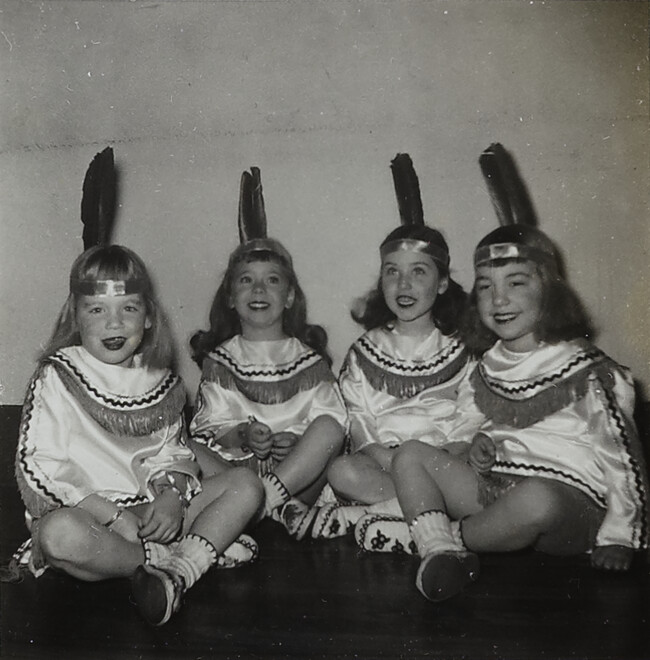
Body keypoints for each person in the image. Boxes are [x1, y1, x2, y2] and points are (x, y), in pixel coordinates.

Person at [383, 225, 649, 602]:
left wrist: (621, 536)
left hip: (569, 509)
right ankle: (439, 548)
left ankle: (427, 537)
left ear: (550, 289)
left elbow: (623, 460)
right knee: (411, 453)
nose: (498, 299)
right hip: (497, 493)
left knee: (536, 498)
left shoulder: (587, 370)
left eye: (516, 283)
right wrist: (476, 446)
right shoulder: (486, 367)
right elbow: (465, 429)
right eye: (486, 286)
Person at [14, 245, 263, 626]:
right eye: (97, 310)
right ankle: (188, 553)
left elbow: (173, 452)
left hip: (149, 509)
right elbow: (41, 467)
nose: (114, 324)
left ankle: (179, 571)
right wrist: (112, 516)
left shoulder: (160, 381)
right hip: (92, 517)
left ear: (148, 317)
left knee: (246, 484)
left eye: (128, 308)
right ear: (75, 316)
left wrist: (170, 497)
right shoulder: (57, 376)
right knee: (59, 536)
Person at [314, 156, 470, 541]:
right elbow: (358, 416)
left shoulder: (463, 350)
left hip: (443, 462)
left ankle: (389, 515)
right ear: (380, 280)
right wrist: (389, 458)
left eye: (419, 272)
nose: (404, 285)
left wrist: (446, 454)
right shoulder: (365, 351)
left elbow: (472, 412)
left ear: (444, 282)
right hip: (381, 464)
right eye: (392, 272)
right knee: (341, 472)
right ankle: (422, 516)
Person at [189, 236, 347, 540]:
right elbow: (208, 426)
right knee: (187, 446)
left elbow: (332, 423)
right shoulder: (220, 361)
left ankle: (265, 505)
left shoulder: (310, 362)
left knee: (328, 428)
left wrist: (297, 440)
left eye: (271, 280)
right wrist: (244, 436)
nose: (259, 289)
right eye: (246, 280)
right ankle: (254, 510)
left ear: (289, 297)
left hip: (297, 482)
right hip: (235, 474)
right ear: (231, 298)